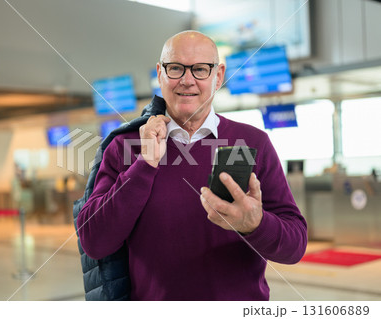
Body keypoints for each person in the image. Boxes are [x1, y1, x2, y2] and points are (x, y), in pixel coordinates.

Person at [77, 30, 307, 301]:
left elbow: (295, 245)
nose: (187, 81)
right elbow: (94, 241)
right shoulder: (126, 146)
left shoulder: (253, 142)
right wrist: (144, 164)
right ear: (160, 73)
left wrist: (256, 224)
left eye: (200, 69)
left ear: (218, 76)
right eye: (175, 68)